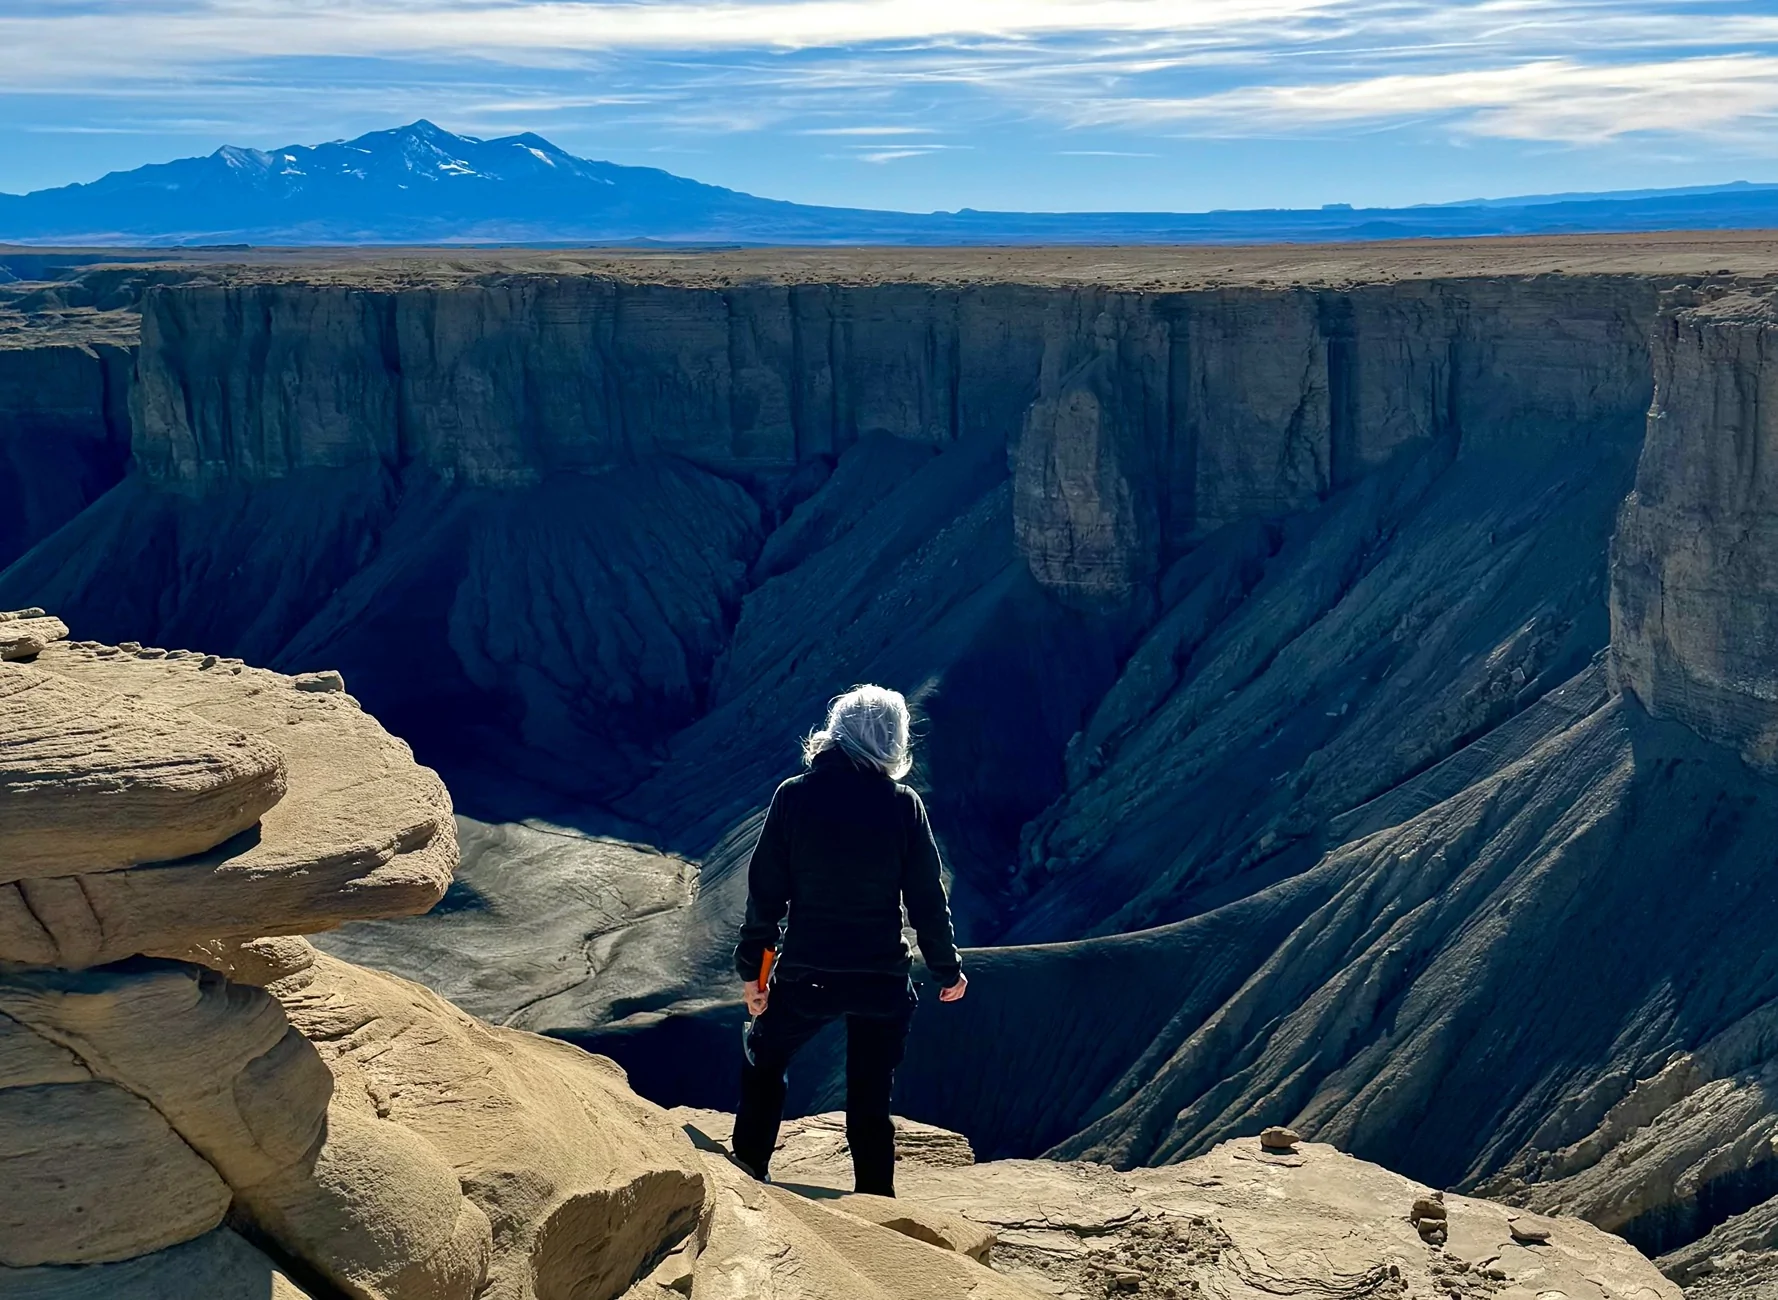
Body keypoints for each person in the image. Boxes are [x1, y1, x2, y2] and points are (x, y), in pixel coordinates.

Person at [731, 684, 967, 1197]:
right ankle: (877, 1203)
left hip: (806, 974)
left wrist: (756, 975)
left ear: (836, 731)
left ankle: (748, 1174)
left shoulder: (794, 796)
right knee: (870, 1096)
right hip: (880, 978)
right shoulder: (902, 805)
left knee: (765, 1059)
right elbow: (927, 898)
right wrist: (947, 968)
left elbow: (766, 898)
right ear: (893, 739)